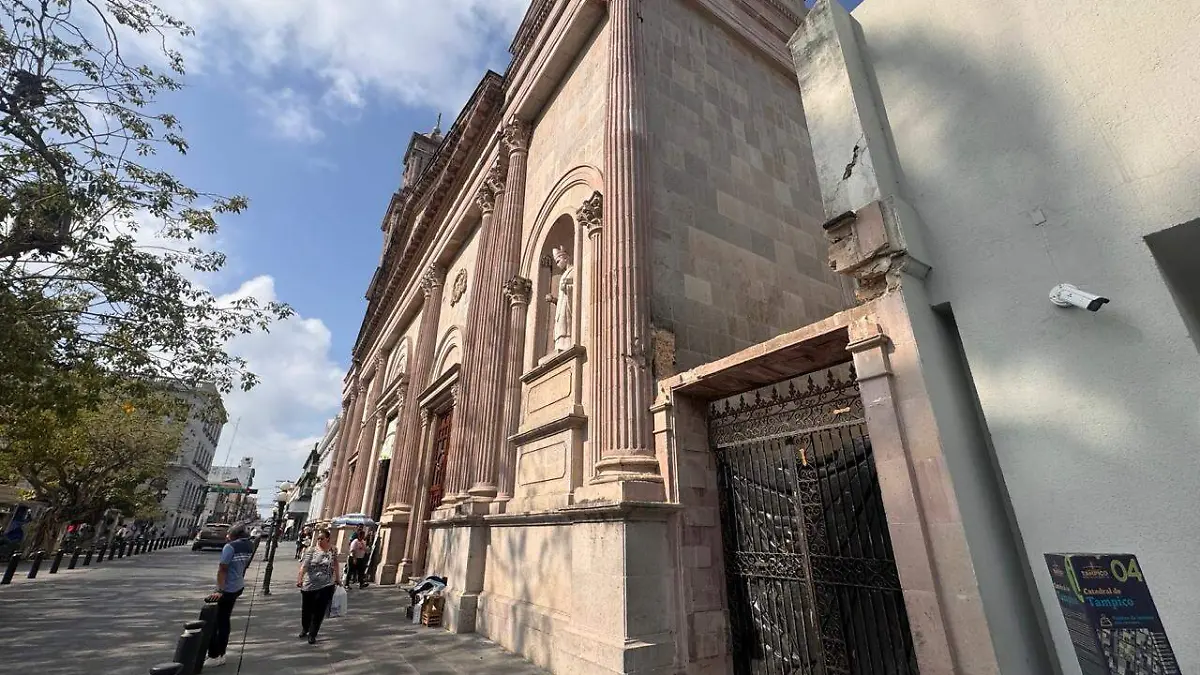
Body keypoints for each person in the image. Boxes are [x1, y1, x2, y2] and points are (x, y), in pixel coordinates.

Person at [206, 523, 255, 667]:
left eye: (228, 533)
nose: (226, 536)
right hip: (238, 585)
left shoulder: (230, 547)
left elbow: (223, 568)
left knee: (214, 622)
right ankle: (221, 653)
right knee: (224, 619)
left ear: (234, 534)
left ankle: (216, 655)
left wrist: (219, 590)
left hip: (228, 588)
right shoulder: (248, 546)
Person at [296, 528, 340, 645]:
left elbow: (335, 564)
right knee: (307, 610)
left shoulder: (333, 550)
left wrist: (338, 578)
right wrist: (300, 578)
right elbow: (304, 566)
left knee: (319, 611)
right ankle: (305, 627)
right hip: (310, 585)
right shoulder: (311, 550)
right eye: (318, 538)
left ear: (328, 539)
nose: (319, 540)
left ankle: (312, 634)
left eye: (322, 538)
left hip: (327, 585)